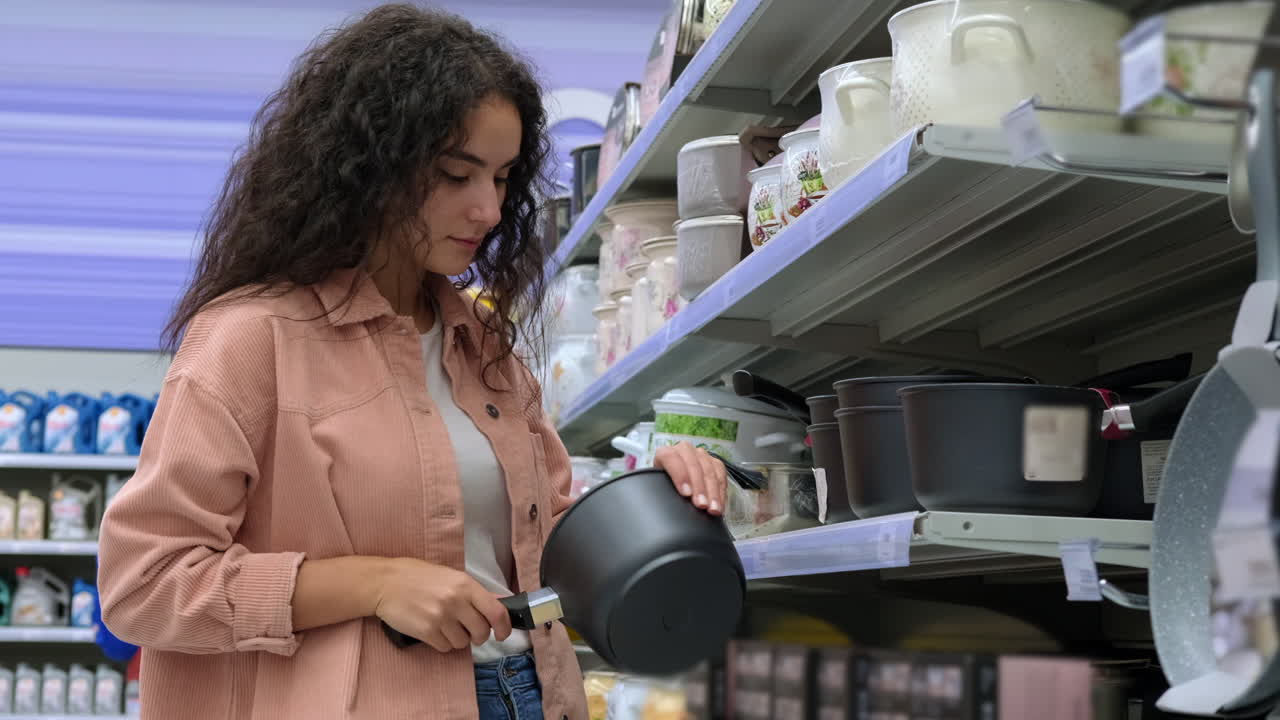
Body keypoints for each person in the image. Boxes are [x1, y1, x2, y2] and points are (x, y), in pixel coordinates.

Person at [95, 5, 728, 720]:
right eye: (457, 175)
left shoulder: (484, 349)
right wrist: (371, 583)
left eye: (502, 178)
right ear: (367, 168)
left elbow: (541, 544)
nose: (489, 210)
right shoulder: (249, 340)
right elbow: (142, 583)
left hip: (529, 694)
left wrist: (655, 503)